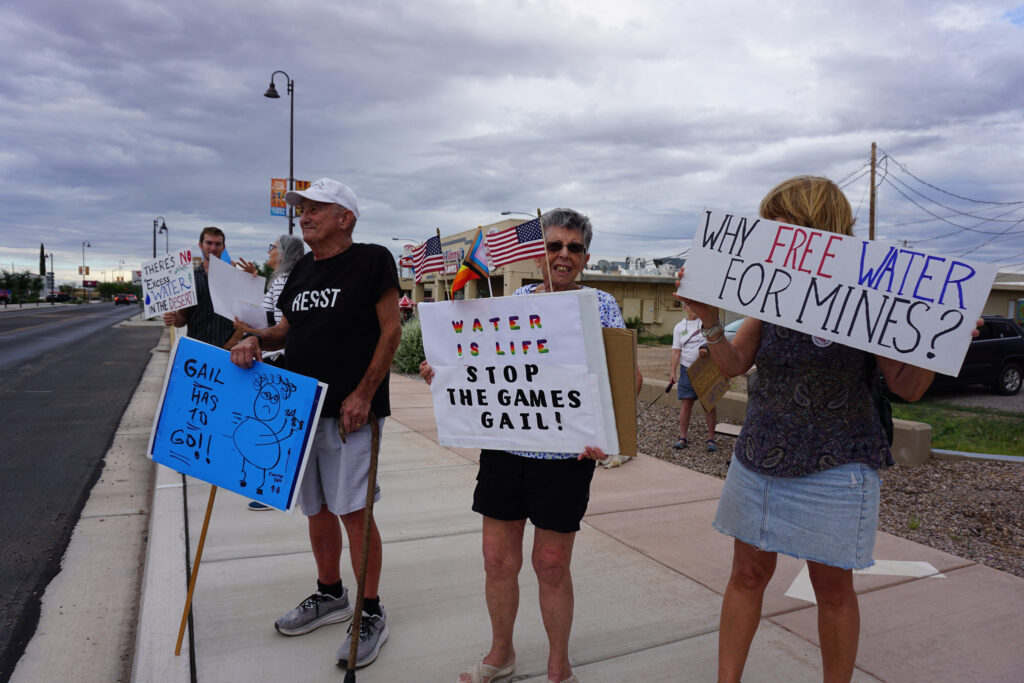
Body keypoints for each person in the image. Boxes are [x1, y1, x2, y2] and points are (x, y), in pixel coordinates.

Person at [677, 175, 980, 683]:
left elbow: (907, 386)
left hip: (836, 466)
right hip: (760, 458)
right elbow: (731, 364)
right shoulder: (770, 290)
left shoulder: (869, 292)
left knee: (832, 589)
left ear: (813, 224)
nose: (770, 230)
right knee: (747, 575)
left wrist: (942, 345)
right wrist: (708, 319)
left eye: (780, 220)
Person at [420, 208, 643, 683]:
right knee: (497, 560)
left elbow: (628, 381)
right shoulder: (515, 300)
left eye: (574, 248)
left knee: (550, 563)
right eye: (554, 245)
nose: (563, 255)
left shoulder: (599, 305)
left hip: (565, 457)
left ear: (585, 256)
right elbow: (480, 363)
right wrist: (444, 372)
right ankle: (501, 654)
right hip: (505, 449)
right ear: (539, 253)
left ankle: (558, 666)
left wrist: (609, 434)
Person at [229, 178, 401, 669]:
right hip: (300, 410)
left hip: (352, 412)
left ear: (344, 217)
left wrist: (364, 393)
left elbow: (392, 328)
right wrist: (255, 340)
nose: (303, 215)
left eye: (314, 209)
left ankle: (370, 611)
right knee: (317, 509)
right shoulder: (302, 266)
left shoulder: (372, 260)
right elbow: (289, 328)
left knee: (353, 511)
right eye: (301, 209)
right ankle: (331, 594)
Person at [233, 233, 305, 511]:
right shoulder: (282, 280)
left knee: (273, 429)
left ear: (284, 253)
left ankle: (275, 490)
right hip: (277, 357)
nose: (269, 252)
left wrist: (246, 327)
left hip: (277, 360)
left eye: (272, 248)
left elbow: (268, 319)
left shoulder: (285, 281)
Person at [163, 227, 240, 348]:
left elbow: (246, 317)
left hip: (227, 351)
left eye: (218, 244)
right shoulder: (189, 279)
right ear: (200, 245)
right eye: (209, 243)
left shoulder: (235, 278)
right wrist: (172, 318)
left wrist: (232, 343)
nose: (213, 248)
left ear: (223, 247)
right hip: (196, 350)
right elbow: (182, 319)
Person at [670, 303, 718, 451]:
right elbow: (676, 351)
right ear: (685, 307)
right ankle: (682, 437)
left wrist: (706, 349)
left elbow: (716, 341)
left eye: (696, 305)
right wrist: (673, 371)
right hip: (686, 369)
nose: (694, 308)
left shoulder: (707, 323)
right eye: (690, 305)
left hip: (705, 368)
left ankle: (711, 438)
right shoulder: (679, 327)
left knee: (709, 404)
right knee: (686, 404)